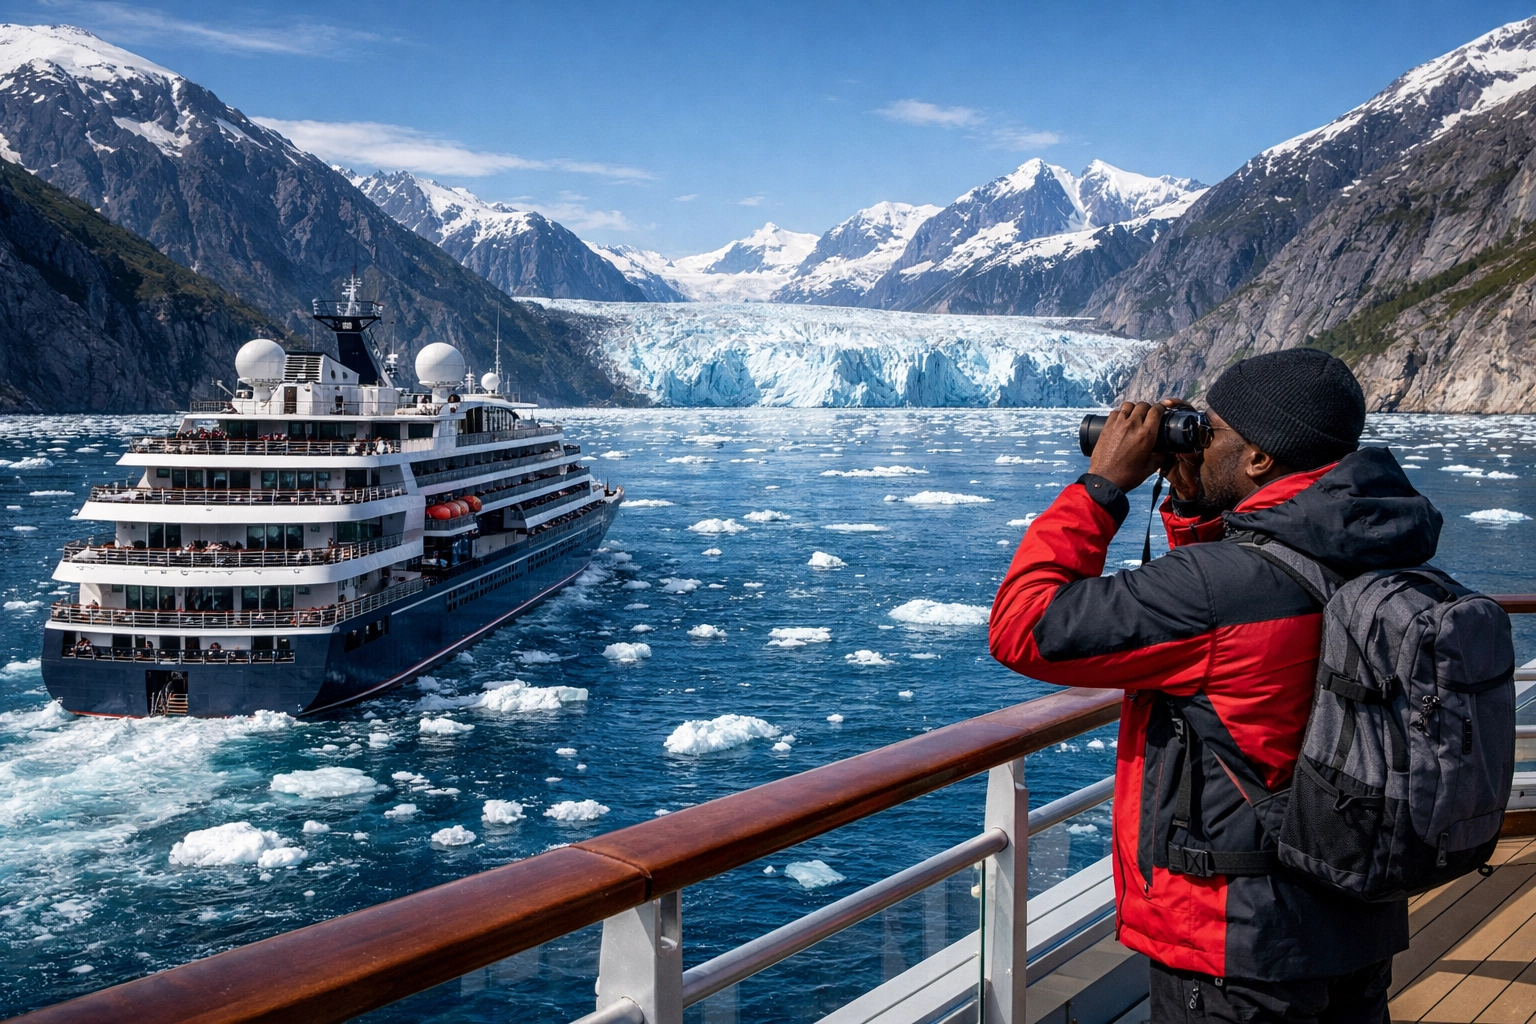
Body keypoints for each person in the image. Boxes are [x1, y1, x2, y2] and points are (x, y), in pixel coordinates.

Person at [989, 349, 1441, 1023]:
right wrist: (1197, 503)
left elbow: (1023, 627)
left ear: (1259, 459)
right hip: (1354, 909)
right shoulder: (1379, 543)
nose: (1199, 439)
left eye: (1214, 430)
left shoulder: (1215, 592)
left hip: (1239, 941)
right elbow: (1250, 594)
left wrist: (1101, 488)